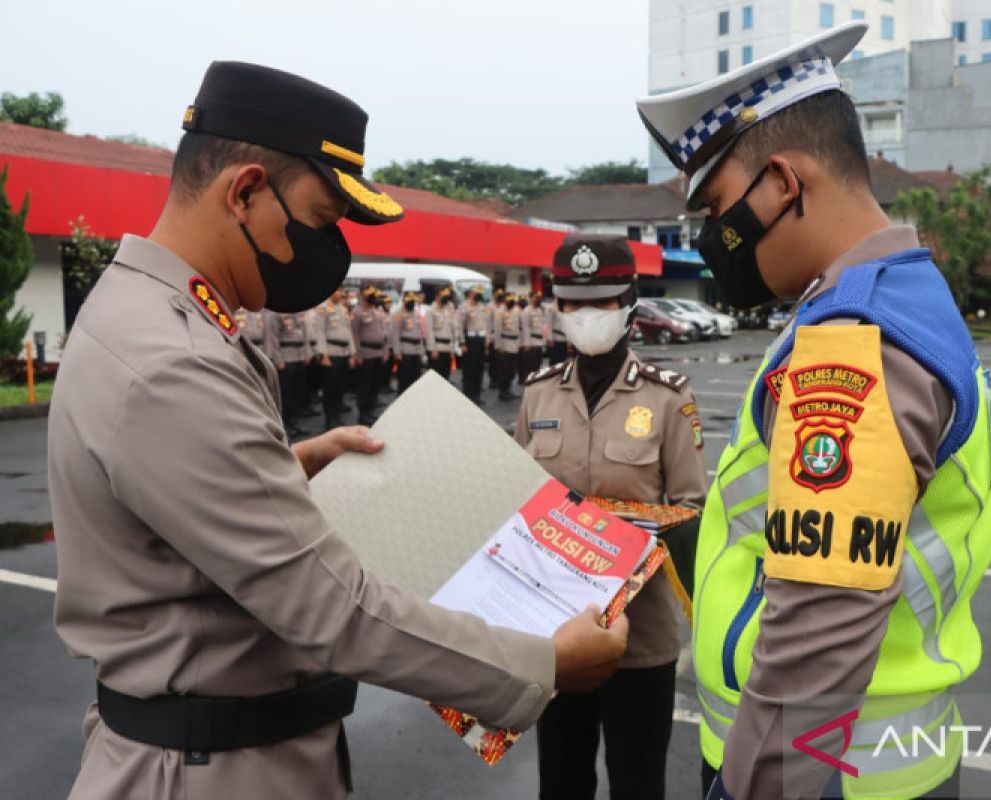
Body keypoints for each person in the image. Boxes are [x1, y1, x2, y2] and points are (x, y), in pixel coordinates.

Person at [47, 60, 628, 800]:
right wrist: (543, 662)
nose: (327, 250)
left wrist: (284, 466)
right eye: (320, 220)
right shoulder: (173, 362)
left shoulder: (147, 314)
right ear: (247, 191)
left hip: (212, 753)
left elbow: (158, 510)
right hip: (210, 772)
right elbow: (332, 606)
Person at [636, 21, 991, 798]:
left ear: (783, 183)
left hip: (828, 774)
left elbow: (816, 642)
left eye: (718, 209)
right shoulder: (891, 297)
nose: (709, 239)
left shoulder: (852, 340)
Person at [517, 234, 708, 800]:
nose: (585, 317)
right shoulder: (538, 396)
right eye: (572, 304)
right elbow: (519, 502)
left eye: (599, 303)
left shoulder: (669, 399)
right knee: (562, 780)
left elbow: (690, 510)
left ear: (629, 303)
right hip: (557, 633)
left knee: (637, 782)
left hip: (640, 638)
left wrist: (613, 537)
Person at [315, 287, 356, 431]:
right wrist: (323, 354)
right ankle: (329, 419)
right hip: (331, 353)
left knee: (340, 388)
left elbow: (348, 331)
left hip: (344, 353)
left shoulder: (343, 309)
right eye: (336, 291)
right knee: (330, 388)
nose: (339, 294)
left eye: (340, 291)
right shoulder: (323, 308)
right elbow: (319, 331)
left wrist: (352, 353)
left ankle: (337, 418)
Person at [270, 309, 312, 438]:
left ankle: (295, 423)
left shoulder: (299, 312)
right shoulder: (277, 312)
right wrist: (278, 359)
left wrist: (307, 353)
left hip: (299, 356)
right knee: (285, 396)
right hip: (286, 358)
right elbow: (273, 336)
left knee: (297, 394)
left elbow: (304, 335)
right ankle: (284, 426)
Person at [350, 285, 389, 425]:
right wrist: (357, 355)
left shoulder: (377, 312)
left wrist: (385, 351)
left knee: (374, 385)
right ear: (363, 295)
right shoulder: (357, 312)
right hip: (365, 354)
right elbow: (354, 335)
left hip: (378, 354)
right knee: (364, 386)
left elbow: (384, 334)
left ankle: (370, 411)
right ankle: (363, 413)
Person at [457, 284, 491, 404]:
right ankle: (468, 394)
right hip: (469, 341)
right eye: (477, 292)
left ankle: (476, 395)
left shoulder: (482, 307)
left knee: (479, 369)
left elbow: (486, 325)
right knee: (469, 369)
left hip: (481, 340)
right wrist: (462, 343)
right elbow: (459, 326)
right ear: (471, 293)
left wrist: (487, 340)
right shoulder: (463, 307)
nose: (480, 295)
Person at [390, 290, 426, 396]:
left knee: (415, 378)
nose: (411, 303)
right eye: (409, 301)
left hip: (416, 350)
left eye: (413, 301)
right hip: (405, 350)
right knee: (404, 378)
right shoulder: (398, 314)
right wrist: (397, 352)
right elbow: (395, 334)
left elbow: (420, 333)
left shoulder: (417, 313)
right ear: (404, 301)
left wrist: (421, 351)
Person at [493, 292, 522, 400]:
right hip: (504, 344)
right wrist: (498, 346)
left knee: (512, 370)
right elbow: (497, 330)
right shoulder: (500, 312)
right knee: (504, 370)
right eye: (509, 300)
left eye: (512, 300)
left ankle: (508, 389)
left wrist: (519, 343)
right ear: (505, 301)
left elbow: (518, 329)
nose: (511, 302)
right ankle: (503, 391)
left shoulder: (516, 312)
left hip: (514, 345)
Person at [426, 286, 457, 379]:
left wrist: (452, 349)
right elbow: (429, 331)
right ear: (436, 296)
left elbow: (452, 330)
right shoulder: (431, 310)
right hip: (437, 348)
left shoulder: (449, 309)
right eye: (443, 296)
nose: (445, 298)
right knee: (435, 377)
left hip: (447, 348)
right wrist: (432, 349)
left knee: (445, 376)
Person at [519, 290, 548, 381]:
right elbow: (525, 328)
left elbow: (544, 326)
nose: (537, 299)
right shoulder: (526, 311)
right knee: (530, 364)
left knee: (538, 364)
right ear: (531, 298)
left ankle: (535, 380)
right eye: (535, 297)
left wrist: (544, 341)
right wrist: (526, 344)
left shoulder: (541, 310)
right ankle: (528, 380)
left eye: (538, 298)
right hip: (531, 341)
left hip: (539, 341)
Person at [487, 286, 506, 388]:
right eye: (498, 295)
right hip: (493, 336)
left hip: (502, 337)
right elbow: (488, 324)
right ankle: (493, 379)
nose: (500, 297)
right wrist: (488, 338)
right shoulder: (490, 307)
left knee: (501, 360)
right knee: (493, 360)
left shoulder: (503, 307)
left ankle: (499, 378)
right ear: (494, 296)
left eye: (501, 295)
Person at [545, 293, 570, 365]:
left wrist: (569, 339)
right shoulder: (551, 307)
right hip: (555, 339)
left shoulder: (565, 307)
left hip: (564, 339)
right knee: (555, 362)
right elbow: (548, 324)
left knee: (563, 362)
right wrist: (550, 339)